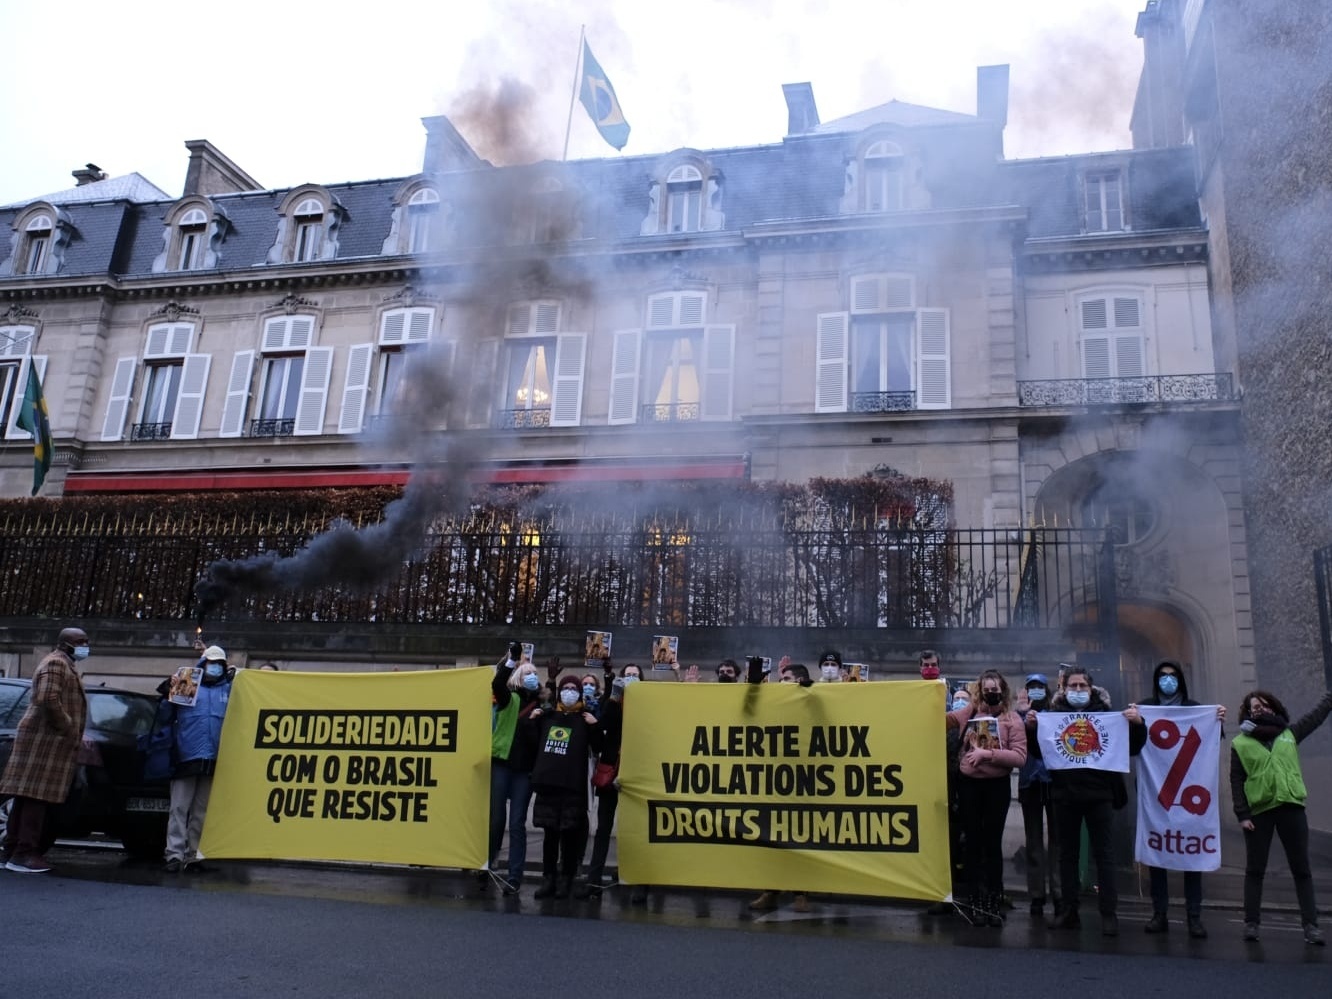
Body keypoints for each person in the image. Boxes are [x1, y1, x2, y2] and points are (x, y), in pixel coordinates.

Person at [1046, 667, 1145, 936]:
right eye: (1073, 686)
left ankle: (1108, 913)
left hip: (1100, 795)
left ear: (1092, 689)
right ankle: (1069, 910)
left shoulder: (1107, 715)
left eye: (1082, 686)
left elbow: (1133, 747)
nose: (1078, 691)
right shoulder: (1054, 717)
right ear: (1064, 689)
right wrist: (1033, 728)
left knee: (1105, 855)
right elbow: (1039, 751)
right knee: (1067, 856)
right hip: (1065, 795)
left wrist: (1138, 725)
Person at [1230, 687, 1332, 945]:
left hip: (1291, 807)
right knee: (1255, 869)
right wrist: (1242, 814)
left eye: (1264, 705)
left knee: (1302, 870)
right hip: (1259, 811)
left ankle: (1311, 926)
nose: (1260, 709)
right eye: (1254, 707)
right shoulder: (1240, 743)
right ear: (1248, 712)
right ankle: (1251, 923)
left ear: (1274, 708)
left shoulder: (1289, 733)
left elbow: (1316, 717)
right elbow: (1236, 780)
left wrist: (1329, 698)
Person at [1134, 660, 1225, 939]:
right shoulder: (1144, 706)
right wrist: (1135, 723)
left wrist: (1217, 719)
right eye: (1163, 676)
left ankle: (1193, 916)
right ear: (1155, 679)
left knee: (1192, 857)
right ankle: (1159, 913)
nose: (1168, 680)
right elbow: (1133, 744)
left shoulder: (1194, 708)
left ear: (1181, 680)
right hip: (1158, 794)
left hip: (1189, 794)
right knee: (1157, 858)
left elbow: (1212, 740)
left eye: (1173, 676)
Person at [1, 627, 89, 874]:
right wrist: (68, 726)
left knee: (26, 796)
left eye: (86, 641)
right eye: (80, 641)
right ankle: (24, 853)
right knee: (37, 798)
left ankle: (11, 850)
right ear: (65, 644)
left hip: (45, 740)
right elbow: (48, 698)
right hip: (45, 741)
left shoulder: (63, 663)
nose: (85, 645)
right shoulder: (56, 664)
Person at [946, 670, 1027, 926]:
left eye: (995, 688)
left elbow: (1020, 757)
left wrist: (988, 755)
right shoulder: (968, 713)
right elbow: (940, 719)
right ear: (980, 690)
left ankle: (993, 899)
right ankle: (974, 900)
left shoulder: (1012, 719)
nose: (991, 692)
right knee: (972, 844)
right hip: (969, 786)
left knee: (992, 845)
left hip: (997, 787)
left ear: (1002, 690)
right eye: (987, 688)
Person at [528, 674, 603, 899]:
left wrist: (595, 726)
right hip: (549, 784)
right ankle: (548, 878)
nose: (569, 691)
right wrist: (532, 720)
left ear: (580, 693)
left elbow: (598, 746)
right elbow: (532, 744)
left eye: (574, 688)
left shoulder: (585, 718)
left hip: (573, 786)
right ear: (559, 692)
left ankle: (566, 879)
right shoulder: (548, 716)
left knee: (569, 836)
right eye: (566, 688)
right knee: (550, 835)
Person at [159, 644, 232, 872]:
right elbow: (165, 716)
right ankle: (174, 854)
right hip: (186, 754)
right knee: (179, 808)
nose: (216, 667)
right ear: (204, 664)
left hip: (213, 757)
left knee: (202, 811)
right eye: (212, 663)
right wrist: (167, 694)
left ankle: (193, 855)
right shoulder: (188, 684)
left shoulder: (228, 690)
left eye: (220, 664)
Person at [579, 663, 643, 899]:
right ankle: (593, 881)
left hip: (636, 775)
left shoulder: (646, 705)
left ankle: (636, 880)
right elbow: (604, 726)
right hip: (611, 772)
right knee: (603, 829)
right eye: (627, 676)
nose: (630, 679)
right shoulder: (613, 703)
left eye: (635, 676)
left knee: (635, 831)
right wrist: (614, 698)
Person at [486, 643, 541, 895]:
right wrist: (512, 660)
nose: (533, 677)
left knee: (517, 822)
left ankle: (515, 875)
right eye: (527, 672)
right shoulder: (510, 698)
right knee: (496, 819)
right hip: (502, 764)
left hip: (523, 771)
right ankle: (488, 863)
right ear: (519, 677)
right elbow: (497, 685)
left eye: (535, 673)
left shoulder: (541, 707)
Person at [1016, 673, 1060, 920]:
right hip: (1029, 782)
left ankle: (1058, 892)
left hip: (1053, 783)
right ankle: (1036, 895)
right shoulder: (1020, 716)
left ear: (1047, 689)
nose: (1035, 691)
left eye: (1039, 687)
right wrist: (1023, 717)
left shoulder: (1056, 715)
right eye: (1031, 687)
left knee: (1058, 842)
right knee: (1033, 842)